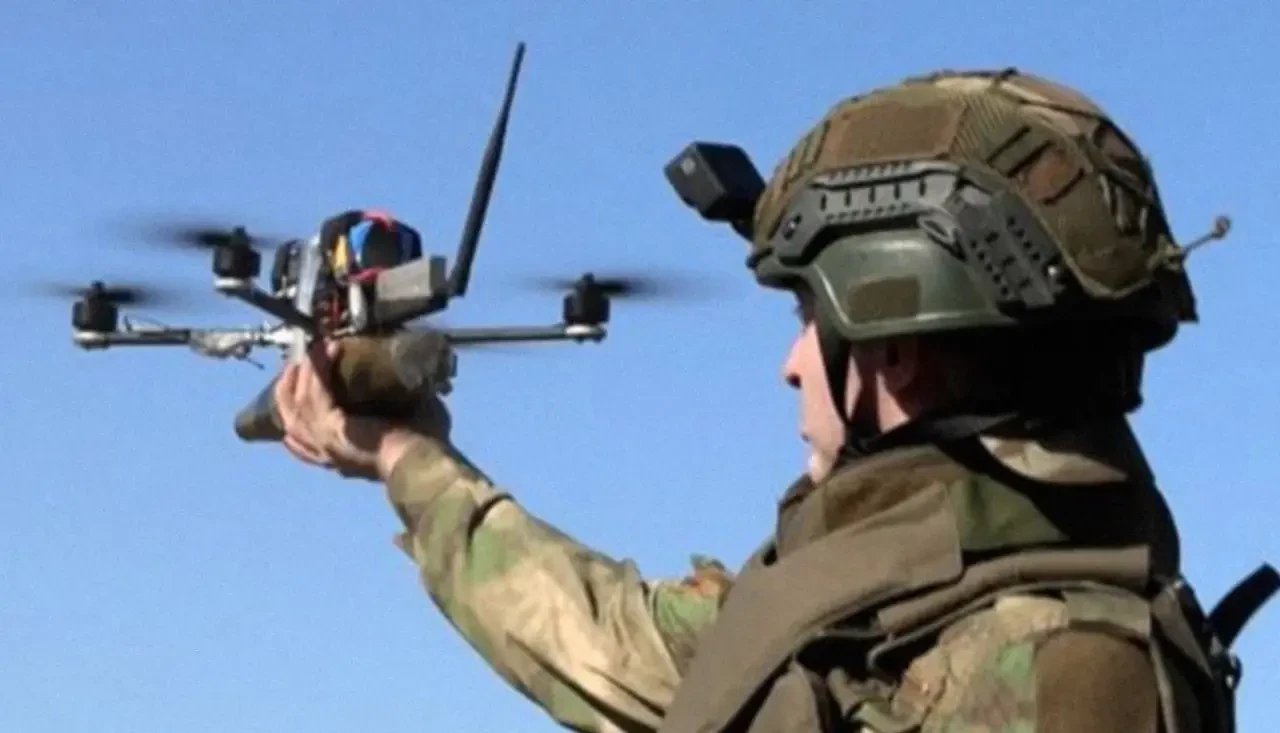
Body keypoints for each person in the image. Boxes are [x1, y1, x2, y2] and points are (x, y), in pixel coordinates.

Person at [272, 69, 1275, 733]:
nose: (792, 365)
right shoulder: (871, 609)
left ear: (896, 347)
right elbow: (601, 638)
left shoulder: (1063, 675)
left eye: (808, 317)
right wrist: (405, 456)